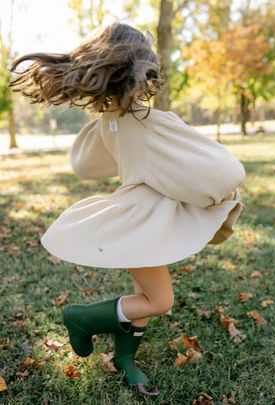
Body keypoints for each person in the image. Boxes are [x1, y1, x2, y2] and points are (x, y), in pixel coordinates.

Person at [9, 22, 245, 394]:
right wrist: (219, 195)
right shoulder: (149, 122)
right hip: (144, 220)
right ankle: (82, 318)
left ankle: (125, 358)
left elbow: (87, 163)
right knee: (159, 300)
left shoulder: (111, 120)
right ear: (140, 71)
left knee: (143, 297)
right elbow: (225, 171)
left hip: (143, 219)